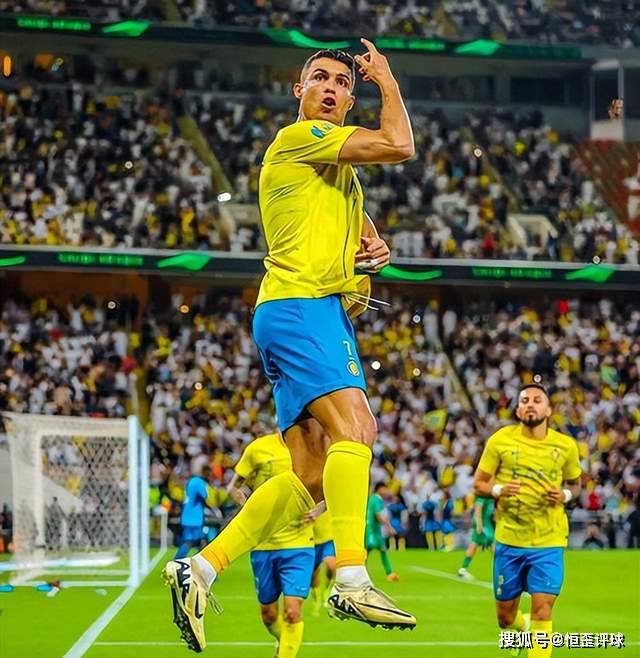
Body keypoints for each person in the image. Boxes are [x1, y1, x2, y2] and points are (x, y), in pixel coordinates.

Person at [163, 40, 416, 651]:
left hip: (298, 311)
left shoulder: (338, 174)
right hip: (303, 306)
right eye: (319, 78)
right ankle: (351, 576)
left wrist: (373, 246)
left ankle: (200, 569)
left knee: (310, 476)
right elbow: (400, 144)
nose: (331, 88)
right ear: (299, 91)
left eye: (342, 82)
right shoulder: (299, 137)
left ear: (347, 101)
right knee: (358, 429)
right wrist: (387, 82)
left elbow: (361, 234)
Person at [473, 381, 582, 658]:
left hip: (549, 540)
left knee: (543, 611)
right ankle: (521, 628)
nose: (530, 404)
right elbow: (479, 484)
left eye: (536, 400)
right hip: (509, 539)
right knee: (505, 618)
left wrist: (565, 495)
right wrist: (498, 490)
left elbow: (576, 484)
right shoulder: (500, 440)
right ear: (518, 410)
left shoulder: (565, 446)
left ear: (549, 409)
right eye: (524, 401)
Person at [230, 432, 315, 658]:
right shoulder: (258, 448)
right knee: (268, 614)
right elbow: (233, 488)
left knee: (293, 612)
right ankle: (283, 642)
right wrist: (249, 508)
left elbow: (331, 482)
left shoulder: (313, 447)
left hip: (299, 542)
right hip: (264, 544)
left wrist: (320, 509)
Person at [174, 466, 213, 559]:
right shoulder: (199, 482)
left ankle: (178, 560)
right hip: (195, 518)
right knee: (196, 541)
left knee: (192, 541)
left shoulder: (191, 481)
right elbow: (205, 496)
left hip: (186, 516)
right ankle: (177, 560)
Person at [366, 482, 398, 582]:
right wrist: (389, 527)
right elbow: (378, 515)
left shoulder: (372, 499)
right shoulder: (376, 499)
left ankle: (390, 573)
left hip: (372, 530)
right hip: (372, 531)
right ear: (379, 489)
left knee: (380, 550)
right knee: (370, 552)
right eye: (385, 489)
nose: (387, 491)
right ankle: (389, 573)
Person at [458, 494, 495, 580]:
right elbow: (477, 511)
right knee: (492, 546)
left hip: (487, 524)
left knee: (474, 545)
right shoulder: (482, 497)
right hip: (483, 525)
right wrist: (479, 525)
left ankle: (463, 569)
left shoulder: (490, 497)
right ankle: (501, 571)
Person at [310, 509, 336, 615]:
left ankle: (327, 591)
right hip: (311, 541)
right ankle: (317, 600)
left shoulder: (327, 501)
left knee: (331, 566)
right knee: (312, 576)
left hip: (328, 539)